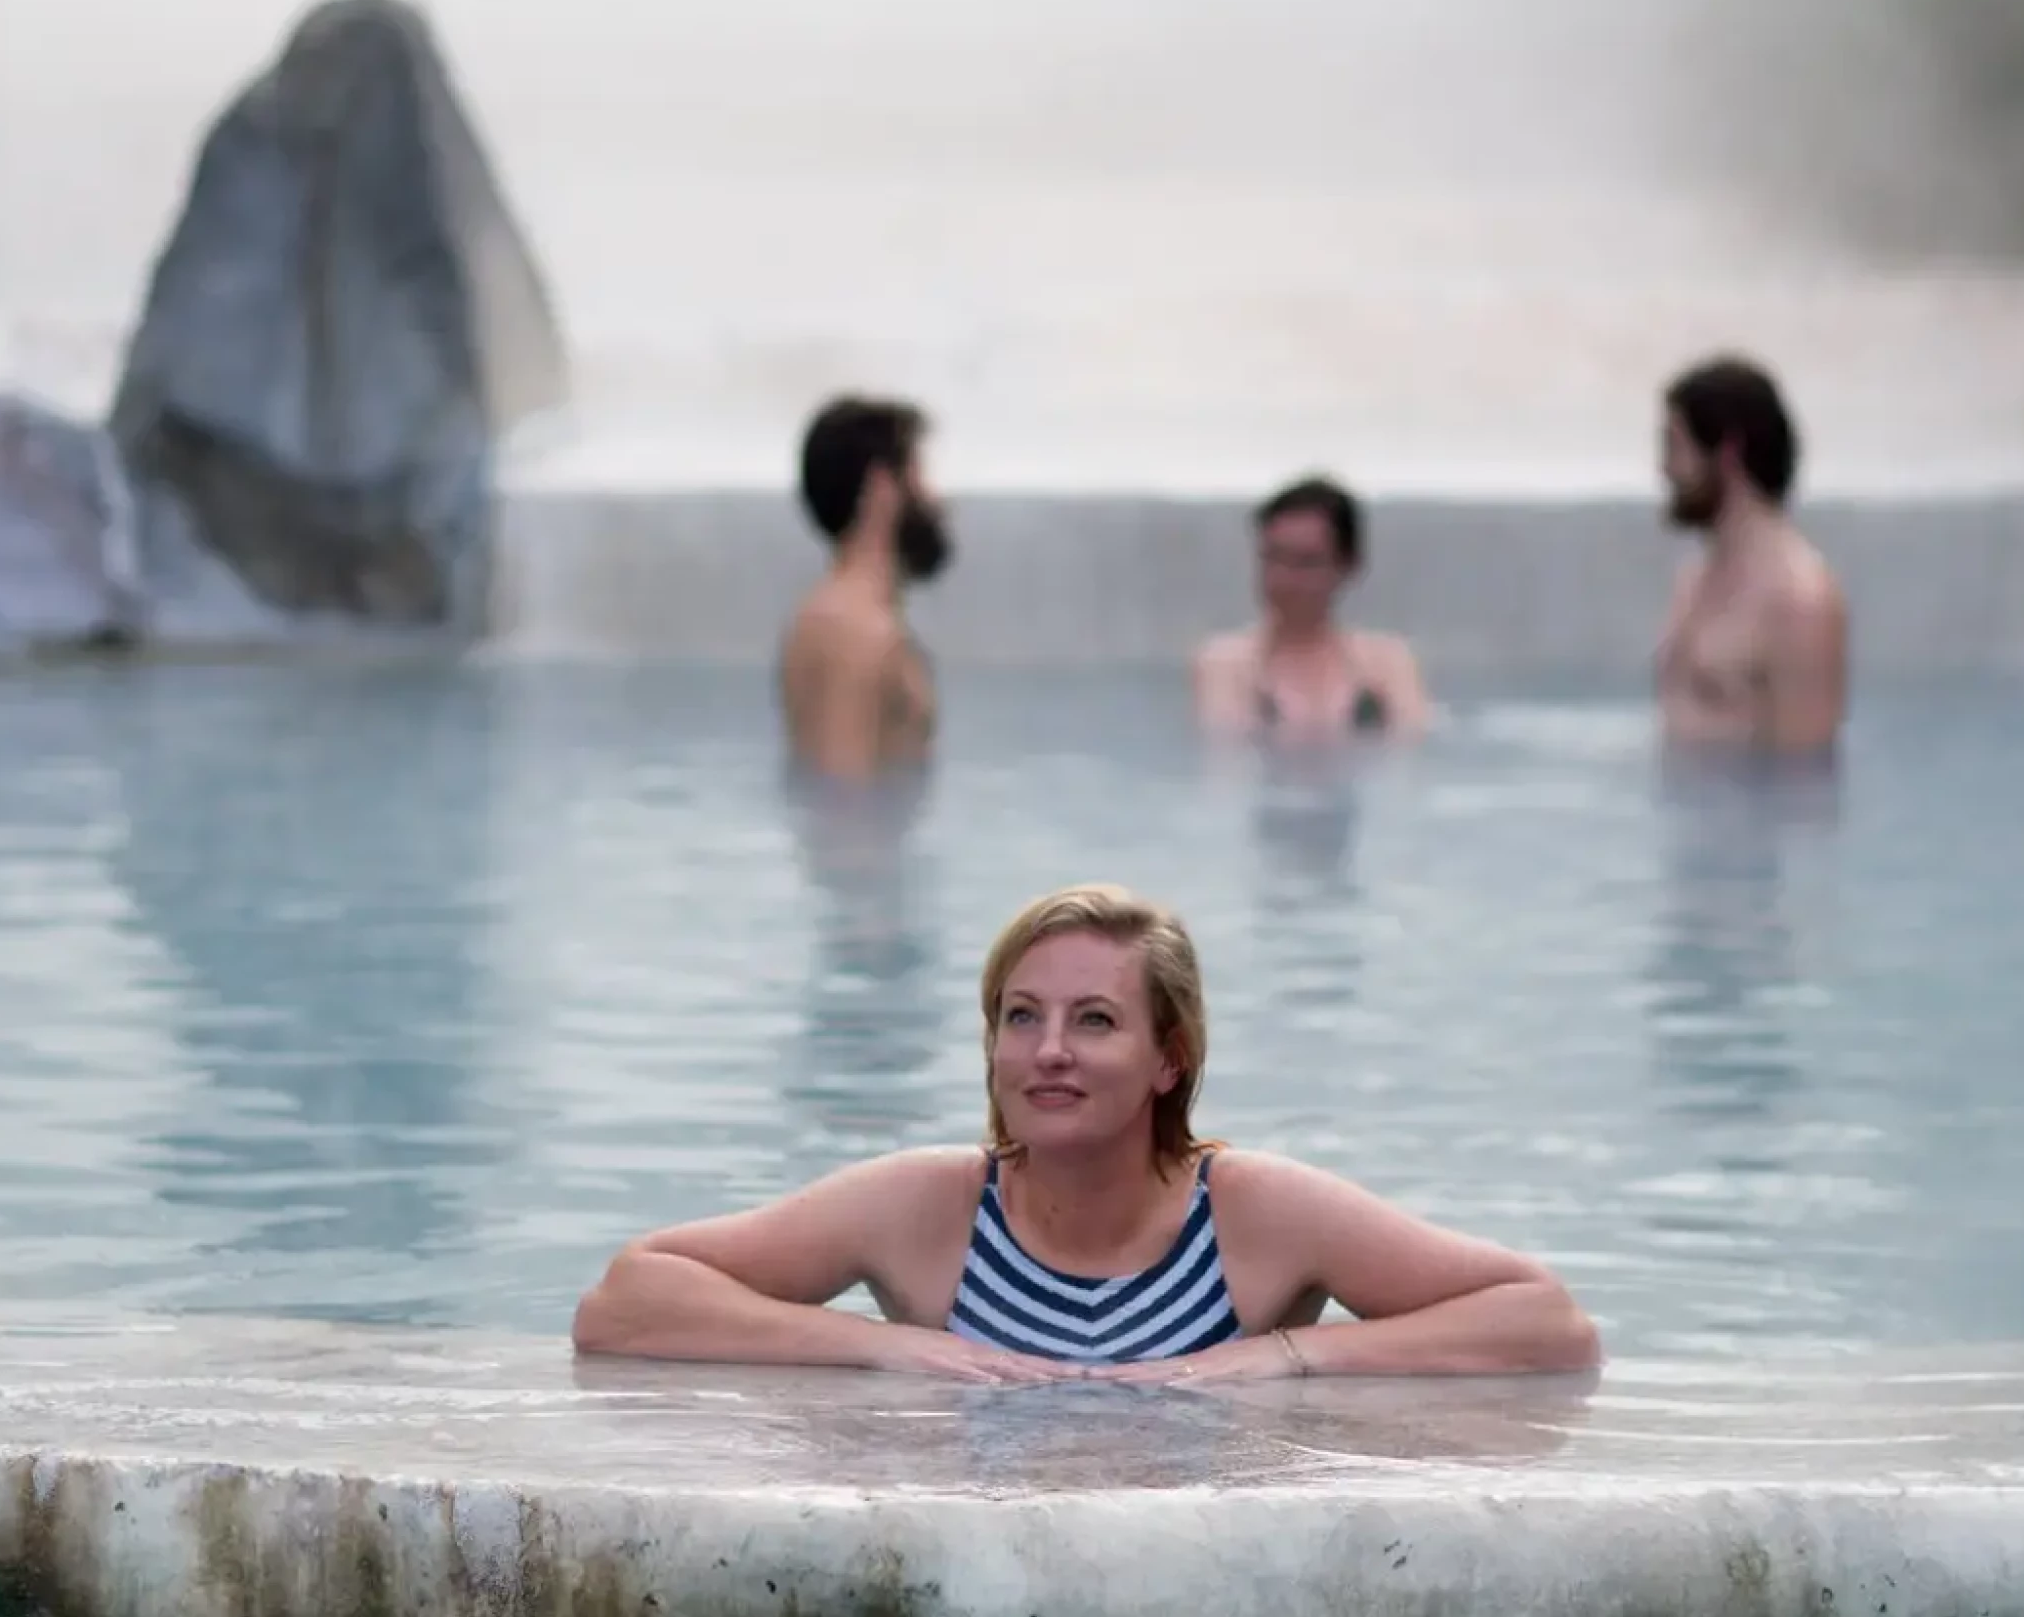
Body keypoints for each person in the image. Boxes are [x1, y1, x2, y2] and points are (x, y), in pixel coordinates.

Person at [572, 882, 1598, 1381]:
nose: (1047, 1050)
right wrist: (888, 1352)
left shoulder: (1249, 1211)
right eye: (1021, 1017)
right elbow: (625, 1300)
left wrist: (1271, 1361)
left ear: (1170, 1058)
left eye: (1093, 1020)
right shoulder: (931, 1205)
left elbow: (1548, 1324)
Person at [1654, 358, 1848, 756]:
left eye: (1675, 446)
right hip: (1689, 809)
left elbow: (1806, 776)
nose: (1665, 469)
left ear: (1727, 452)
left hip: (1743, 813)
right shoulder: (1695, 579)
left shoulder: (1800, 603)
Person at [779, 396, 952, 780]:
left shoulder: (827, 616)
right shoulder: (860, 634)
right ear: (882, 488)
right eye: (920, 475)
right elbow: (845, 808)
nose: (939, 501)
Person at [1194, 476, 1431, 741]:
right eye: (1273, 558)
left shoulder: (1388, 663)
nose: (1284, 579)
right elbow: (1227, 764)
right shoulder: (1227, 663)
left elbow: (1410, 760)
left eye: (1305, 563)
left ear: (1346, 566)